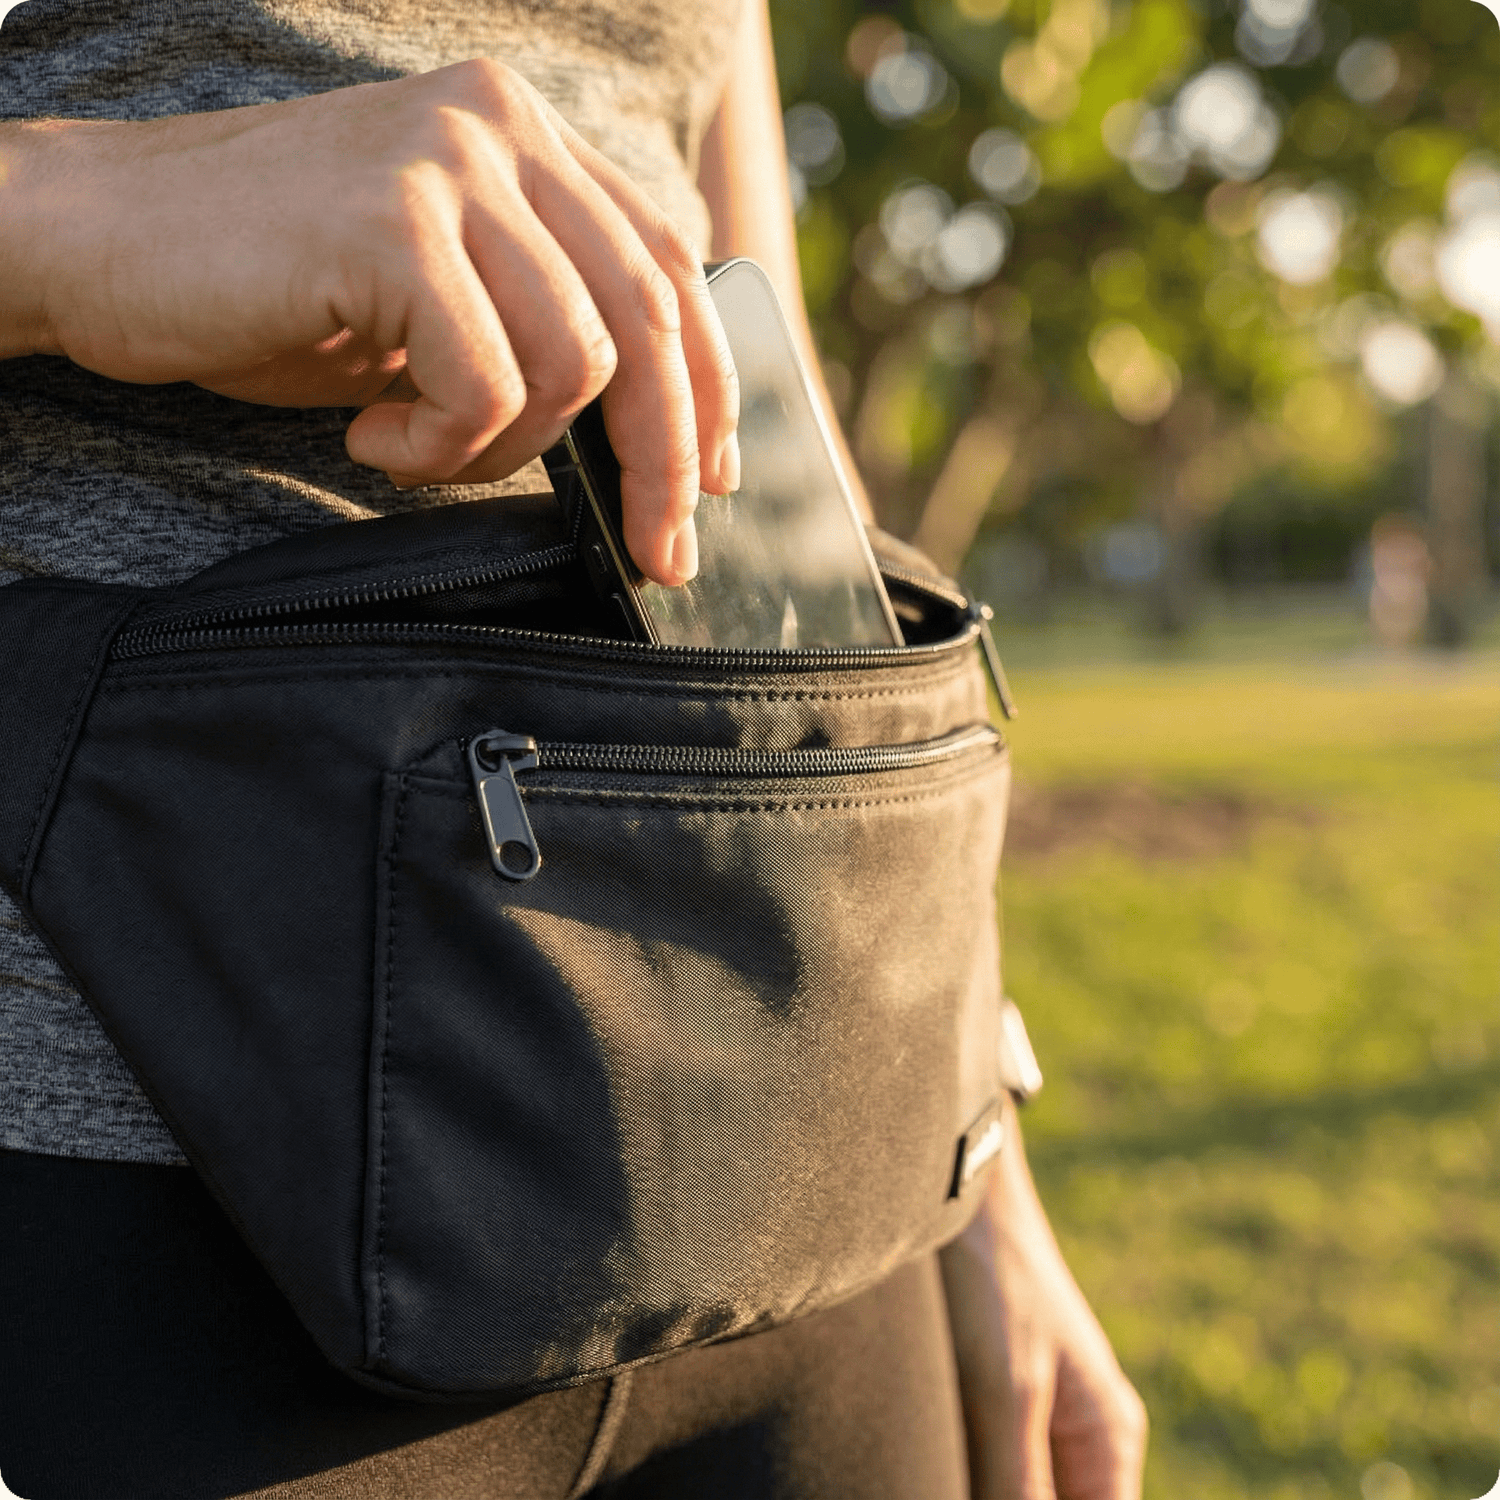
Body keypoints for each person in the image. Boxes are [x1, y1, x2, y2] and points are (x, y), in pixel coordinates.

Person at [0, 0, 1147, 1494]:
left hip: (812, 1170)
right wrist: (75, 205)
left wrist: (975, 1144)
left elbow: (757, 346)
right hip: (124, 1147)